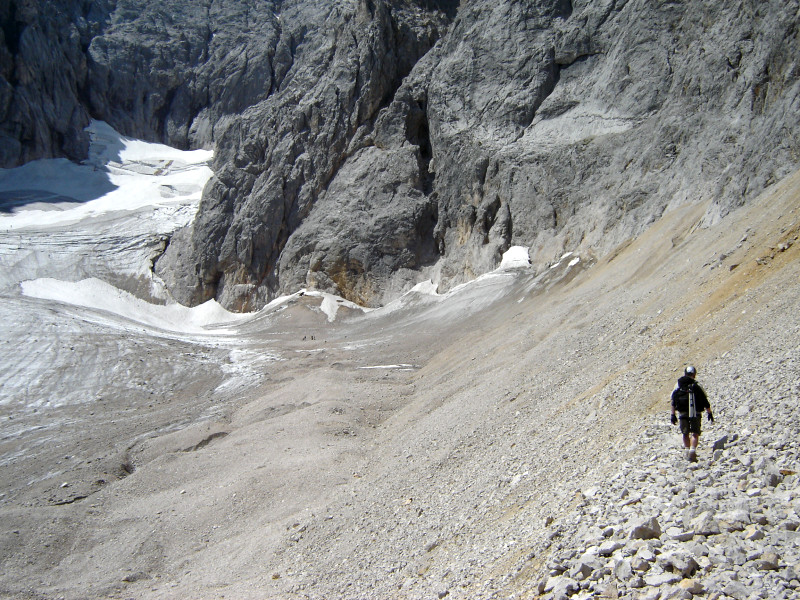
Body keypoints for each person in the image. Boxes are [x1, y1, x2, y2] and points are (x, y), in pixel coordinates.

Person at [670, 365, 713, 461]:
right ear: (694, 374)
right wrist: (709, 412)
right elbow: (704, 400)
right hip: (695, 412)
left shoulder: (678, 385)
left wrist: (673, 415)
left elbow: (673, 400)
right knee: (695, 432)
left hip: (682, 412)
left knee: (685, 433)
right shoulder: (696, 385)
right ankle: (692, 451)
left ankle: (686, 450)